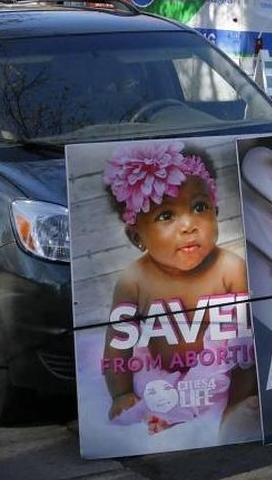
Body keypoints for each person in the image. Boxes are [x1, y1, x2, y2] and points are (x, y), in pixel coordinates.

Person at [100, 141, 256, 437]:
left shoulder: (231, 268)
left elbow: (243, 342)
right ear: (137, 237)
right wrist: (120, 394)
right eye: (166, 216)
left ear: (216, 211)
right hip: (161, 375)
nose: (188, 225)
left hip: (222, 372)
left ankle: (234, 409)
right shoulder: (134, 280)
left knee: (245, 359)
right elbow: (118, 346)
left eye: (199, 207)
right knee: (150, 397)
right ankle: (167, 414)